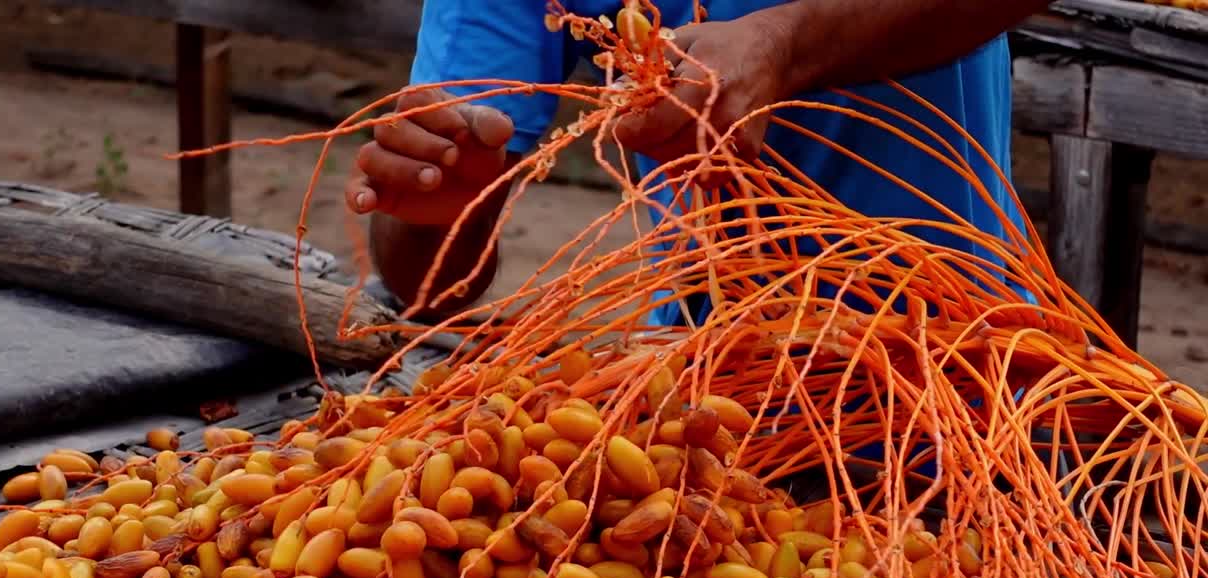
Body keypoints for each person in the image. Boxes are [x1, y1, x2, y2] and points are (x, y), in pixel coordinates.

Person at [347, 0, 1052, 323]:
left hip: (951, 374)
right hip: (709, 398)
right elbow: (425, 286)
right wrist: (434, 216)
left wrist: (783, 47)